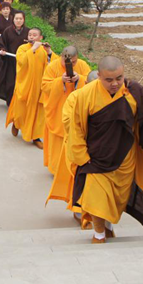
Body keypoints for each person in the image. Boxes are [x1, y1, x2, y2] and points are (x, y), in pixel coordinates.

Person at [67, 56, 143, 244]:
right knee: (96, 197)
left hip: (125, 157)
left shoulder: (133, 90)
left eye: (119, 78)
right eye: (109, 80)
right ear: (99, 76)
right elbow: (76, 127)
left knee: (115, 199)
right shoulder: (85, 95)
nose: (115, 83)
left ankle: (108, 228)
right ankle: (99, 235)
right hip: (96, 157)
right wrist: (82, 157)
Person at [47, 69, 99, 227]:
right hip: (78, 146)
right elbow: (68, 121)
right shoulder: (75, 97)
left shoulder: (111, 98)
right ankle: (79, 211)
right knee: (79, 181)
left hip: (101, 149)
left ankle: (98, 216)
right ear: (87, 84)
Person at [41, 46, 92, 174]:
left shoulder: (83, 65)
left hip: (76, 111)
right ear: (61, 57)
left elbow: (91, 83)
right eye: (67, 61)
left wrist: (79, 79)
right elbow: (45, 86)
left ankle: (73, 169)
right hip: (58, 110)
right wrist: (60, 81)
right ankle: (56, 170)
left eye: (74, 62)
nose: (71, 64)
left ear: (77, 59)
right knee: (58, 142)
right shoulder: (52, 67)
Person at [5, 27, 55, 148]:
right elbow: (21, 61)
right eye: (30, 35)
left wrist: (49, 52)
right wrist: (33, 49)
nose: (31, 37)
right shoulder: (22, 48)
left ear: (40, 38)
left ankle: (35, 137)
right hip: (24, 85)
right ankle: (17, 123)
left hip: (38, 87)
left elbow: (53, 66)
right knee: (21, 110)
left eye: (35, 35)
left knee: (37, 113)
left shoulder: (43, 51)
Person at [0, 10, 29, 105]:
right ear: (13, 19)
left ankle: (20, 103)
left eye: (21, 19)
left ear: (24, 20)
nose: (18, 21)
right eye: (17, 18)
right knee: (10, 83)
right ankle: (10, 102)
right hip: (10, 61)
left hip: (24, 62)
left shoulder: (28, 32)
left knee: (22, 83)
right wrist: (3, 50)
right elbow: (2, 43)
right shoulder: (7, 31)